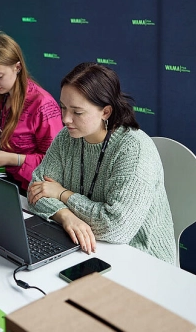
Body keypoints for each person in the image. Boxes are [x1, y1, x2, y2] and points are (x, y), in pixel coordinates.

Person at [27, 62, 176, 264]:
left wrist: (63, 195)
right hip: (86, 246)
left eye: (77, 112)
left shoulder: (134, 149)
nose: (65, 119)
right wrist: (65, 216)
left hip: (142, 258)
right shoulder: (66, 137)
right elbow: (36, 189)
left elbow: (115, 226)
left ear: (105, 112)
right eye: (63, 107)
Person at [0, 32, 62, 191]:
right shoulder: (3, 95)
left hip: (34, 189)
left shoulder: (42, 104)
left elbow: (55, 163)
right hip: (7, 182)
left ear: (17, 67)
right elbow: (9, 142)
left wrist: (13, 159)